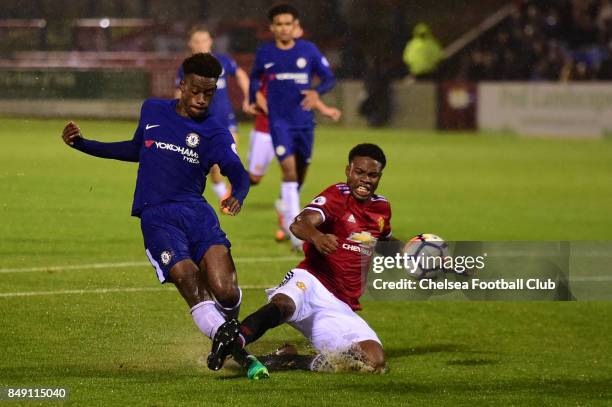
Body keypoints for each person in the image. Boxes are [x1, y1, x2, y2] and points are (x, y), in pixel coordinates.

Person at [61, 53, 268, 380]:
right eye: (196, 91)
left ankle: (228, 336)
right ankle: (229, 343)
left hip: (197, 213)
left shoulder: (214, 132)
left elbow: (237, 173)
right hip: (157, 215)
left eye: (209, 94)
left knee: (225, 290)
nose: (202, 99)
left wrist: (238, 195)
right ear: (181, 86)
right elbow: (136, 149)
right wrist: (84, 145)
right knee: (187, 276)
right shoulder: (153, 110)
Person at [208, 144, 391, 373]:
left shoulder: (382, 208)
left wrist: (421, 255)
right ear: (348, 170)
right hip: (311, 282)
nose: (365, 180)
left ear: (379, 177)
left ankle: (289, 360)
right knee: (283, 305)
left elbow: (384, 243)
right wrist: (317, 237)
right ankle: (234, 342)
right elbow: (298, 223)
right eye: (359, 172)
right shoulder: (336, 196)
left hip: (339, 306)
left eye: (372, 175)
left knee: (373, 360)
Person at [247, 3, 336, 250]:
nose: (284, 28)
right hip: (279, 123)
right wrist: (255, 98)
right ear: (272, 28)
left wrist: (317, 93)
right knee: (289, 173)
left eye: (288, 24)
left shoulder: (308, 50)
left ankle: (285, 206)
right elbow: (255, 78)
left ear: (295, 26)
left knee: (299, 176)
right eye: (279, 24)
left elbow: (329, 78)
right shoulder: (265, 54)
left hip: (304, 124)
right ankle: (297, 234)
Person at [175, 26, 251, 204]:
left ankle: (232, 194)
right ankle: (223, 195)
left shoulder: (223, 61)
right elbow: (179, 94)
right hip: (202, 124)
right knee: (215, 169)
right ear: (190, 44)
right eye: (197, 41)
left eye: (204, 40)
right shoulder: (187, 68)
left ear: (210, 42)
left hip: (226, 120)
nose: (201, 44)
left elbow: (241, 75)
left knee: (230, 157)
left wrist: (248, 97)